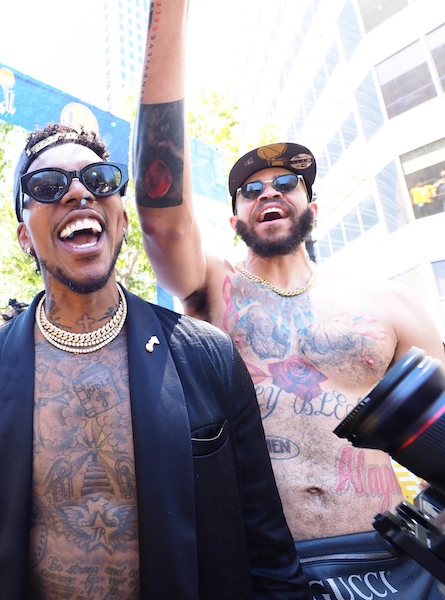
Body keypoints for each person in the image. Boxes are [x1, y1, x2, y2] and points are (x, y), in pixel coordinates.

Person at [0, 120, 309, 599]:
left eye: (100, 179)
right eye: (47, 185)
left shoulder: (207, 356)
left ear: (122, 219)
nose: (79, 192)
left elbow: (266, 544)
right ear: (24, 237)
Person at [134, 0, 445, 589]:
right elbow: (160, 214)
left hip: (396, 563)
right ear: (233, 220)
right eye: (249, 190)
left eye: (286, 183)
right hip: (267, 570)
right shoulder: (211, 289)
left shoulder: (389, 303)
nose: (268, 193)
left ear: (313, 207)